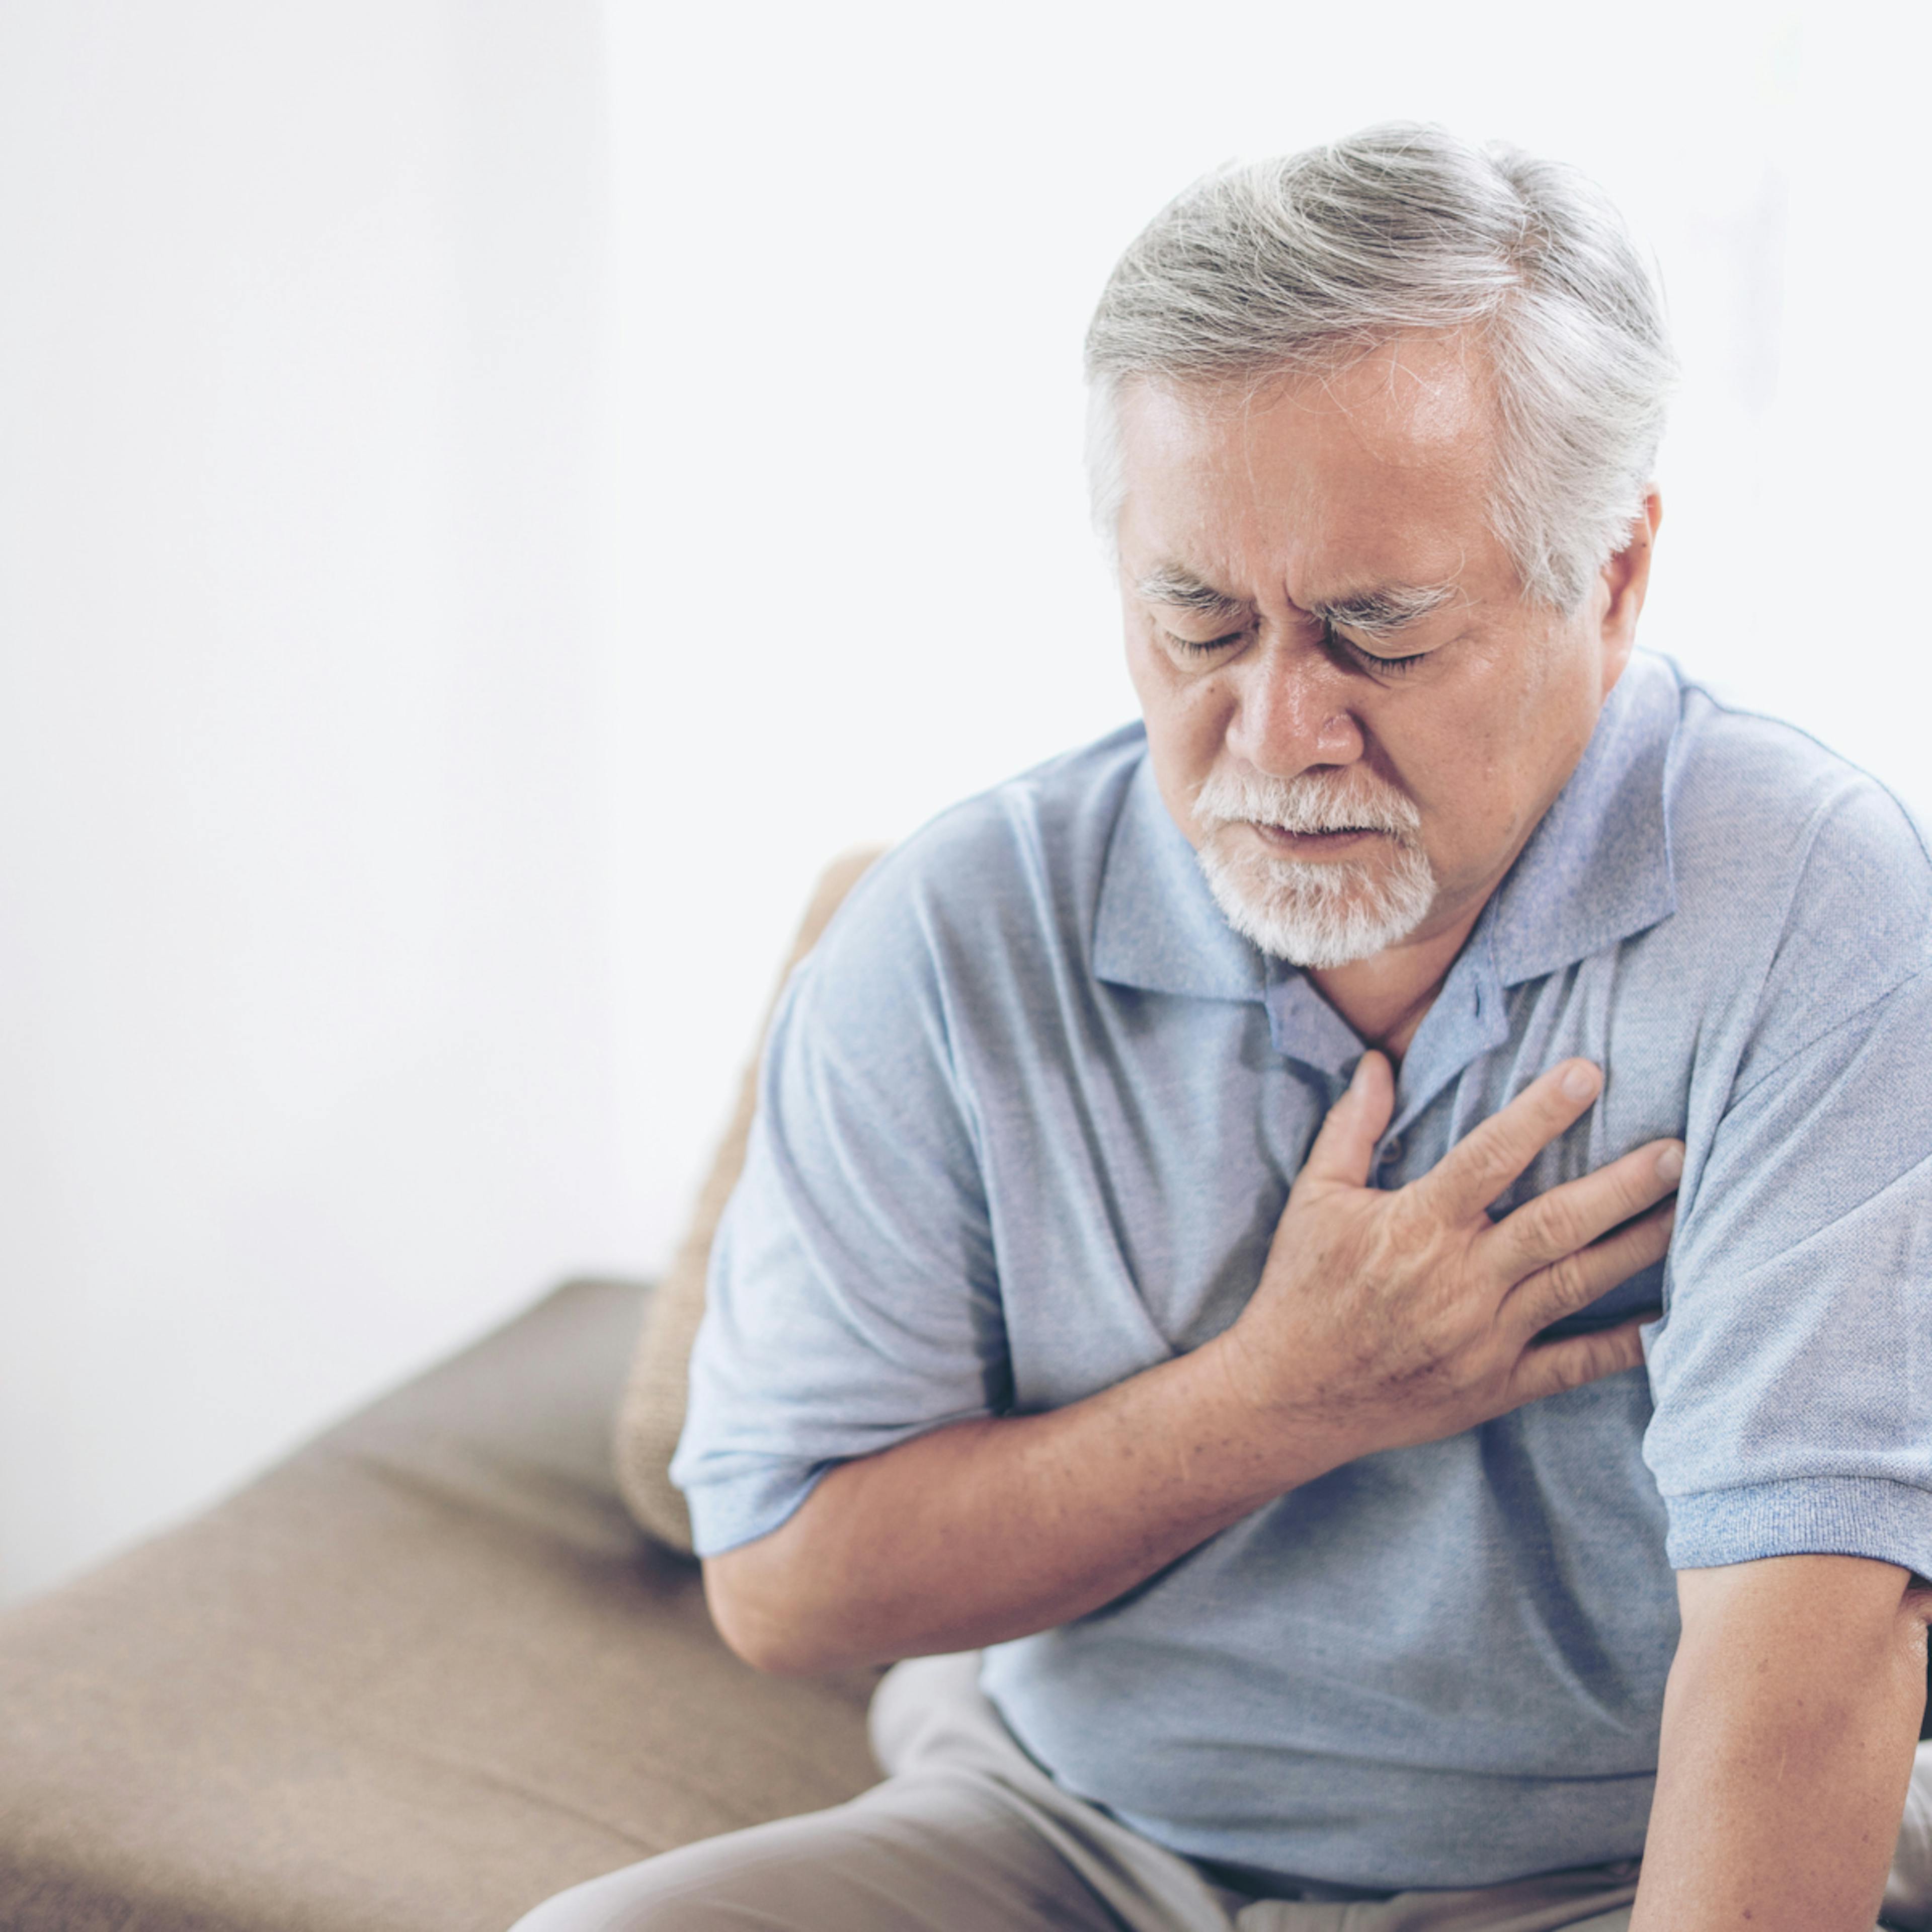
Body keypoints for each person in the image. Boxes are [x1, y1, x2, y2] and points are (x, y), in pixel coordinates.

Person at [517, 124, 1932, 1931]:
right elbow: (784, 1586)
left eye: (1377, 633)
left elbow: (1812, 1660)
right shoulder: (950, 936)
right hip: (1073, 1833)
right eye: (1197, 619)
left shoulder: (1819, 904)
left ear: (1615, 575)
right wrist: (1281, 1398)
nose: (1274, 734)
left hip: (1594, 1869)